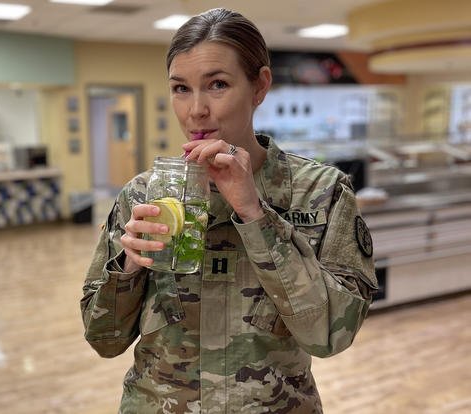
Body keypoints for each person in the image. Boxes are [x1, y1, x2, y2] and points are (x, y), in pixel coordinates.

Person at [81, 8, 377, 413]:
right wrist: (130, 268)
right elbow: (104, 338)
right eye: (181, 88)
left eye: (217, 84)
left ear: (260, 86)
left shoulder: (320, 193)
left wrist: (255, 214)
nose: (196, 110)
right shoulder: (144, 195)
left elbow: (330, 335)